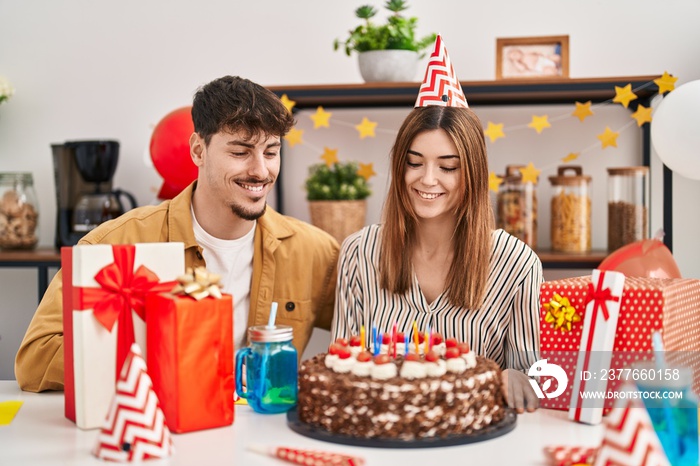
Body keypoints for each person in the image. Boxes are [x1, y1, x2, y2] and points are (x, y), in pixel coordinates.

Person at [15, 76, 340, 392]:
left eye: (270, 152)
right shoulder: (115, 244)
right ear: (198, 150)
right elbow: (35, 361)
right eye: (240, 153)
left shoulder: (315, 251)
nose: (260, 170)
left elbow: (366, 334)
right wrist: (152, 353)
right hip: (159, 434)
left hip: (259, 434)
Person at [331, 35, 543, 412]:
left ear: (472, 174)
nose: (428, 179)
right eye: (414, 162)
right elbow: (342, 373)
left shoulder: (517, 264)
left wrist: (519, 377)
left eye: (448, 167)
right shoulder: (360, 252)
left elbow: (533, 383)